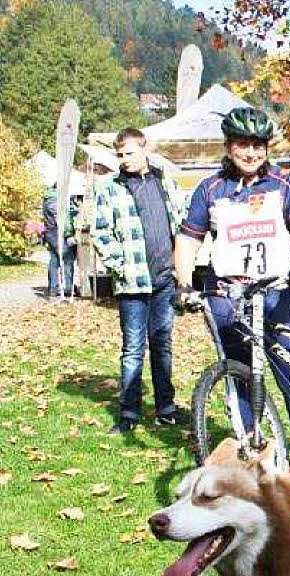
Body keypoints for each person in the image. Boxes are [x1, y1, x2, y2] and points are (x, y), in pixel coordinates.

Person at [173, 107, 290, 456]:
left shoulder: (288, 182)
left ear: (267, 147)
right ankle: (251, 447)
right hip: (228, 294)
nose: (251, 153)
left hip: (279, 292)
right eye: (243, 144)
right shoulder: (210, 189)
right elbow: (188, 238)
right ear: (229, 146)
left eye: (258, 145)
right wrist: (183, 282)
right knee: (240, 372)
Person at [92, 128, 188, 434]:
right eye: (119, 155)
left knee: (162, 346)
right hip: (132, 283)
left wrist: (180, 266)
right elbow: (100, 231)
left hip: (164, 280)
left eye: (130, 153)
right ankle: (129, 414)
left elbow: (183, 222)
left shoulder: (164, 182)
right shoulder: (110, 188)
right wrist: (119, 266)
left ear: (145, 150)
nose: (125, 159)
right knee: (133, 349)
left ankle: (166, 409)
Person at [42, 184, 76, 302]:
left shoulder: (47, 197)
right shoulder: (57, 199)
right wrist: (69, 234)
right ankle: (67, 288)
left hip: (50, 233)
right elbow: (62, 219)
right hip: (59, 234)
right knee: (67, 260)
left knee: (54, 260)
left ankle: (53, 288)